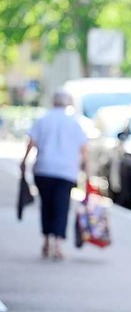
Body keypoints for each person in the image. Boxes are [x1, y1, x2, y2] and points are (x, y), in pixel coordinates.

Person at [20, 90, 88, 260]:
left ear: (53, 102)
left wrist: (24, 161)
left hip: (43, 169)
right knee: (61, 207)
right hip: (66, 172)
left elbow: (31, 142)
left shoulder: (43, 119)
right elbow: (84, 149)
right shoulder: (74, 123)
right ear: (68, 103)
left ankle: (46, 241)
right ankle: (57, 244)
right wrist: (87, 171)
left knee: (46, 205)